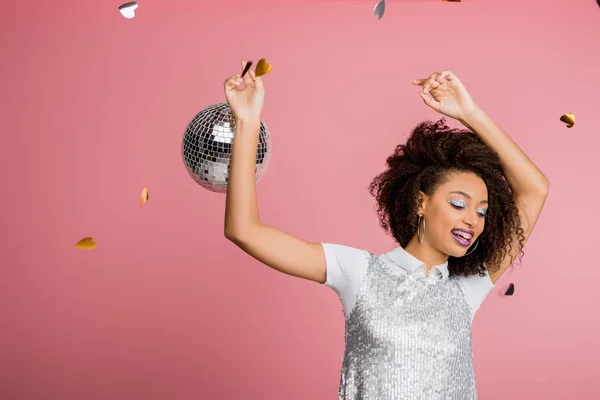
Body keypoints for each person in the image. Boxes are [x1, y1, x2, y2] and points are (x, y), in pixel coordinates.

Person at [222, 61, 549, 399]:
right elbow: (244, 230)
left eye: (482, 211)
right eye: (458, 204)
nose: (472, 220)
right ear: (420, 202)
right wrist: (247, 121)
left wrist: (470, 112)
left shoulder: (469, 286)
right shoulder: (358, 271)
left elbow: (535, 188)